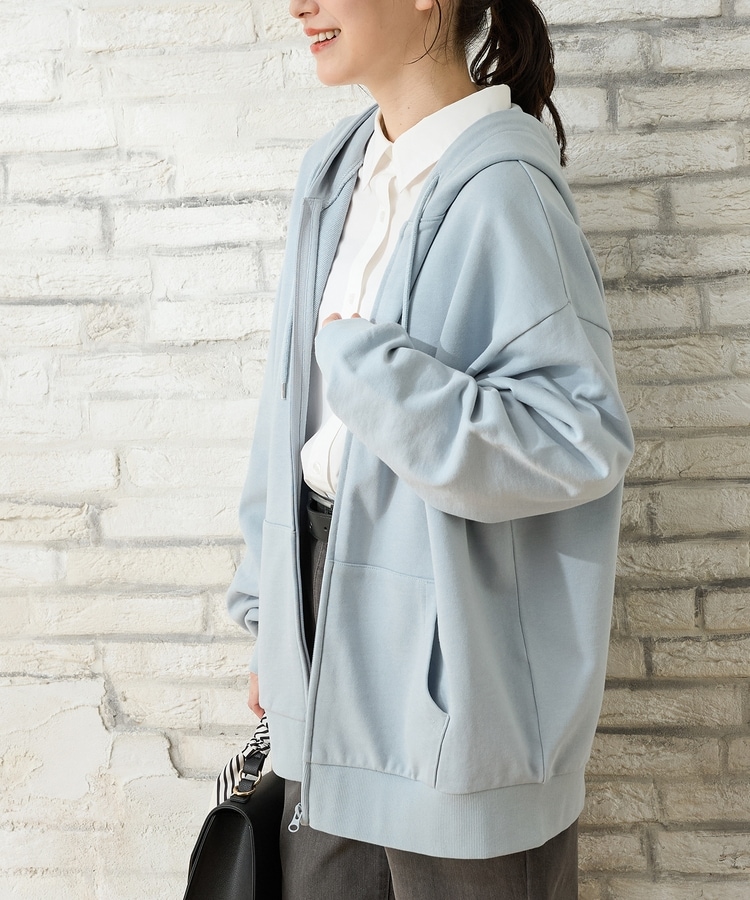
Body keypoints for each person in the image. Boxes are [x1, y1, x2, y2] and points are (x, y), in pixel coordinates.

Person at [226, 0, 634, 895]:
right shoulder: (336, 171)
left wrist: (378, 377)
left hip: (457, 665)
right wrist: (269, 613)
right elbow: (287, 410)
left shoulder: (502, 188)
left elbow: (579, 439)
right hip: (323, 628)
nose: (299, 5)